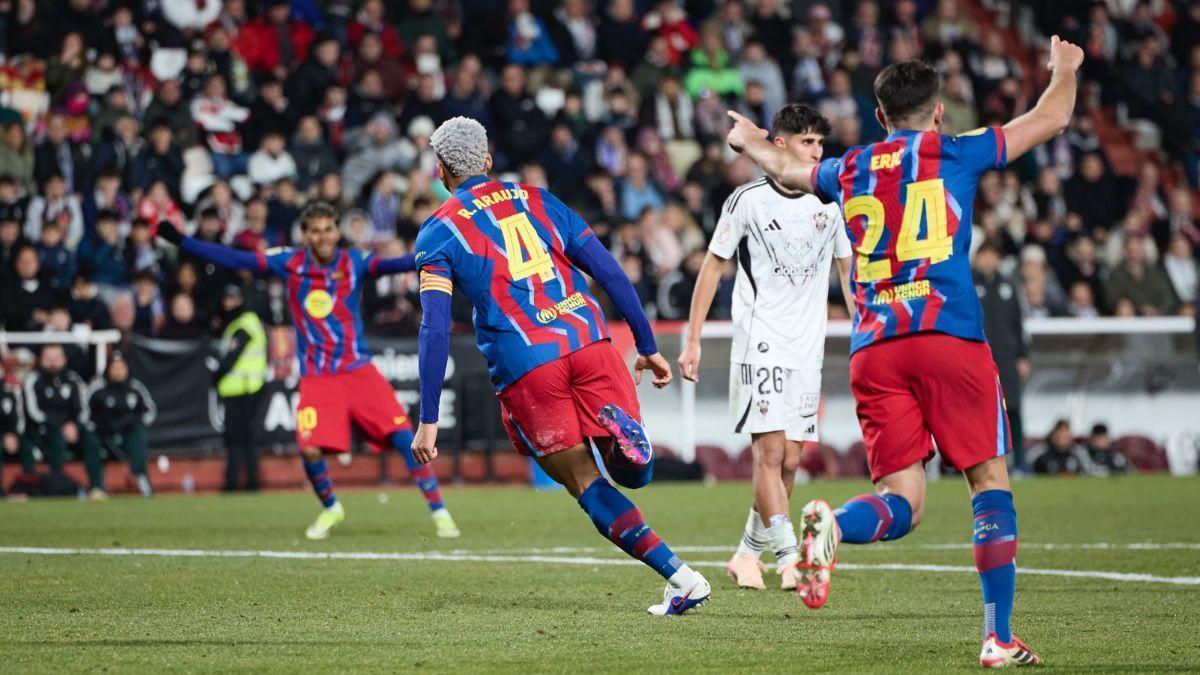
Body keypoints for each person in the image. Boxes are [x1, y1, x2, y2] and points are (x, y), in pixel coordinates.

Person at [726, 35, 1087, 666]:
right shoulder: (957, 150)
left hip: (876, 349)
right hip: (948, 338)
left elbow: (786, 170)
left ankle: (834, 524)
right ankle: (998, 637)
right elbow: (1052, 117)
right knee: (988, 482)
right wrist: (1066, 69)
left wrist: (753, 139)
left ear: (879, 116)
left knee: (904, 501)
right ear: (938, 112)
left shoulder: (849, 168)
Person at [412, 117, 710, 615]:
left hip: (527, 360)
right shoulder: (538, 199)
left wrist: (427, 418)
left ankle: (680, 574)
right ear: (488, 160)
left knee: (585, 483)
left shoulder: (438, 231)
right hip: (589, 338)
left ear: (440, 170)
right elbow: (608, 270)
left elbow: (435, 328)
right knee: (632, 475)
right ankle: (639, 469)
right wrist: (646, 343)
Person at [156, 204, 460, 540]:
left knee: (406, 439)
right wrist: (183, 241)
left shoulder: (354, 262)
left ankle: (440, 512)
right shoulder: (290, 262)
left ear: (337, 231)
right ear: (305, 235)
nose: (323, 236)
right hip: (318, 377)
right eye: (315, 230)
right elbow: (235, 259)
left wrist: (446, 249)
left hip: (358, 370)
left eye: (328, 228)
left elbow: (398, 263)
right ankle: (331, 507)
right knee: (310, 449)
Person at [678, 104, 852, 592]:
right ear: (779, 145)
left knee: (791, 461)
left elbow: (847, 268)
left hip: (808, 347)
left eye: (820, 143)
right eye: (806, 142)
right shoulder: (747, 200)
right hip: (761, 341)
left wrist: (866, 328)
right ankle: (790, 557)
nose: (816, 152)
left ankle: (745, 554)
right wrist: (693, 340)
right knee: (770, 453)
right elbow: (713, 267)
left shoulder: (830, 202)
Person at [972, 241, 1029, 470]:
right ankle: (976, 461)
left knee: (1012, 408)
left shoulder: (1009, 286)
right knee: (977, 409)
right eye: (984, 255)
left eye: (992, 255)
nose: (988, 260)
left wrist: (1022, 356)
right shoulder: (969, 284)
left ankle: (1020, 462)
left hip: (1006, 358)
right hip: (977, 357)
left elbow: (1018, 324)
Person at [21, 344, 105, 498]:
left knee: (92, 440)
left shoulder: (73, 379)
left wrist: (74, 426)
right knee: (56, 440)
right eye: (48, 358)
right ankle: (57, 486)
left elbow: (83, 410)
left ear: (64, 359)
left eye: (56, 358)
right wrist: (60, 427)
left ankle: (96, 487)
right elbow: (34, 413)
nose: (53, 362)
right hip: (44, 430)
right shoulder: (33, 380)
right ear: (40, 360)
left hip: (72, 429)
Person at [212, 285, 267, 492]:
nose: (229, 303)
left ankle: (236, 482)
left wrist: (216, 376)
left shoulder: (243, 324)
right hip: (244, 387)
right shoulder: (243, 322)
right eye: (227, 298)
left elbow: (232, 357)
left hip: (243, 388)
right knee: (244, 437)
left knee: (237, 438)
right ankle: (248, 481)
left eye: (233, 299)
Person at [86, 352, 155, 497]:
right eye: (115, 367)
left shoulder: (135, 387)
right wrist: (97, 426)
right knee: (90, 440)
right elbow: (85, 413)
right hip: (104, 435)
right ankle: (96, 486)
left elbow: (149, 411)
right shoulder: (97, 388)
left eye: (121, 367)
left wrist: (134, 421)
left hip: (127, 435)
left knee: (139, 432)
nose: (118, 371)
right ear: (108, 369)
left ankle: (139, 476)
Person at [0, 362, 25, 498]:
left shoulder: (10, 392)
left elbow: (18, 417)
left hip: (8, 434)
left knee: (26, 446)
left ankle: (29, 486)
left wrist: (13, 435)